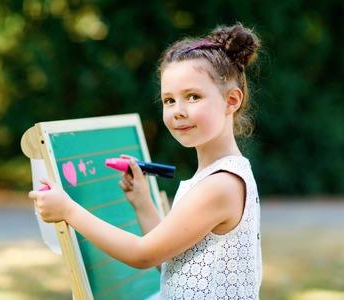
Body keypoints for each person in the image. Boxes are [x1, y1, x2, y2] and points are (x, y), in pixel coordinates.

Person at [29, 22, 262, 299]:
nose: (178, 111)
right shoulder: (218, 175)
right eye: (169, 100)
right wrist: (142, 201)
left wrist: (68, 210)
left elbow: (143, 255)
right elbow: (166, 257)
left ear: (231, 101)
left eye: (193, 96)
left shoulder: (220, 185)